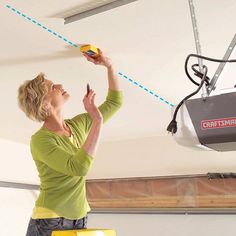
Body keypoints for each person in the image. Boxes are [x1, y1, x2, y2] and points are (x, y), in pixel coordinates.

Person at [17, 48, 123, 236]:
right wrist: (97, 121)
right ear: (44, 104)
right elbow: (78, 167)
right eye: (52, 87)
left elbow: (114, 103)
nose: (59, 85)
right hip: (50, 220)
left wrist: (109, 66)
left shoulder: (78, 125)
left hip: (80, 217)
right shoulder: (41, 140)